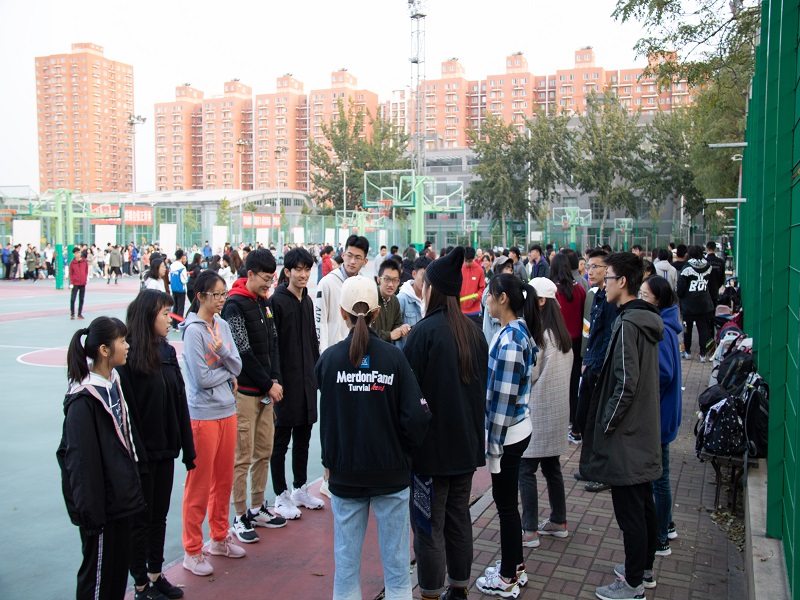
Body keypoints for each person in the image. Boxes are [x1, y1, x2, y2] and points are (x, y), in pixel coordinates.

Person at [316, 275, 431, 600]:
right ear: (378, 314)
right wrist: (402, 452)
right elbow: (417, 416)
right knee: (397, 568)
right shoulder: (394, 359)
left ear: (342, 313)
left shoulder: (329, 361)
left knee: (345, 567)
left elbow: (330, 412)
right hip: (391, 475)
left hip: (344, 475)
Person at [402, 247, 489, 600]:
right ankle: (459, 588)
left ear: (432, 289)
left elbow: (408, 397)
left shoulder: (423, 333)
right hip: (466, 448)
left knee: (428, 525)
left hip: (430, 454)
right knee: (458, 518)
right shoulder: (474, 333)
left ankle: (430, 592)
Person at [579, 252, 663, 600]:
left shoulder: (629, 323)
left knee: (631, 512)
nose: (604, 284)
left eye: (608, 277)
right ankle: (642, 569)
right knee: (642, 504)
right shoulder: (641, 318)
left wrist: (607, 424)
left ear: (623, 282)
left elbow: (625, 382)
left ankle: (632, 584)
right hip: (641, 429)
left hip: (627, 434)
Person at [58, 317, 143, 600]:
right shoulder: (84, 400)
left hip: (120, 502)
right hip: (102, 511)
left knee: (116, 576)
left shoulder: (113, 382)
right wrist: (92, 516)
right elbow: (81, 465)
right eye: (122, 341)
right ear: (105, 350)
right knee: (97, 581)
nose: (128, 346)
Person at [118, 290, 195, 600]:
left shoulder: (166, 351)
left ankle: (155, 574)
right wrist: (139, 454)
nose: (169, 318)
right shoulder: (128, 355)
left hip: (165, 450)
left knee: (159, 517)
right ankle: (140, 585)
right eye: (164, 313)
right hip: (141, 456)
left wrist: (187, 447)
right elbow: (127, 412)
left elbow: (179, 400)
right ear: (149, 315)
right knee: (140, 520)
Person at [475, 274, 542, 599]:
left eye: (489, 294)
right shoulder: (515, 332)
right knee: (507, 506)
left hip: (508, 434)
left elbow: (502, 401)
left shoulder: (511, 339)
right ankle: (514, 566)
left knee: (505, 507)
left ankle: (507, 578)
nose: (486, 300)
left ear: (502, 298)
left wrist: (493, 449)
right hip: (516, 429)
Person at [179, 271, 244, 576]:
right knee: (199, 484)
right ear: (200, 296)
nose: (221, 299)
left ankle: (219, 537)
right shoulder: (193, 332)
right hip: (202, 416)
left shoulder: (223, 326)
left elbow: (238, 365)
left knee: (223, 480)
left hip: (227, 411)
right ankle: (192, 550)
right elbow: (201, 378)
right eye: (216, 294)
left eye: (223, 294)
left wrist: (223, 355)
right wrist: (227, 369)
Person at [220, 249, 289, 539]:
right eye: (265, 278)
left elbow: (273, 344)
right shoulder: (233, 306)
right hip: (246, 394)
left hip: (266, 392)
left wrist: (275, 380)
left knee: (264, 451)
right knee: (242, 456)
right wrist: (267, 384)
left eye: (272, 279)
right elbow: (242, 352)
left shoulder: (265, 304)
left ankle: (258, 507)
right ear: (249, 274)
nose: (269, 284)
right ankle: (239, 515)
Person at [270, 248, 325, 522]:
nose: (303, 275)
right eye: (298, 270)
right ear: (287, 271)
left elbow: (313, 341)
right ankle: (281, 495)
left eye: (307, 269)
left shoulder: (307, 301)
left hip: (306, 382)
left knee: (303, 436)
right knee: (280, 441)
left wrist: (317, 373)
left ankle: (300, 489)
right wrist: (275, 380)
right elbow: (273, 347)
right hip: (285, 384)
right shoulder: (276, 302)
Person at [520, 277, 573, 549]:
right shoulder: (561, 334)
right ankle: (558, 521)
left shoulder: (539, 336)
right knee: (552, 468)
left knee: (526, 470)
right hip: (558, 412)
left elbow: (529, 376)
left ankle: (529, 530)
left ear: (541, 301)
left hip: (537, 413)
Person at [639, 275, 682, 558]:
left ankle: (661, 536)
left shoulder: (662, 331)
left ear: (658, 299)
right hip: (664, 414)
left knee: (660, 478)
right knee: (660, 476)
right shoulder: (666, 324)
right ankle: (667, 524)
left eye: (645, 295)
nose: (641, 298)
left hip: (660, 416)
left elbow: (663, 374)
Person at [571, 250, 618, 457]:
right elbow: (590, 332)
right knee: (583, 418)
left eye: (594, 267)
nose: (589, 271)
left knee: (593, 419)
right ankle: (589, 462)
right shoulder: (596, 295)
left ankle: (594, 463)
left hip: (598, 368)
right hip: (590, 363)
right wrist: (586, 361)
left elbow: (609, 336)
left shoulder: (610, 299)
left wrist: (597, 368)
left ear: (608, 270)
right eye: (588, 267)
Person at [550, 253, 586, 441]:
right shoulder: (580, 289)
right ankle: (574, 423)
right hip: (577, 342)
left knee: (558, 384)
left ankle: (561, 422)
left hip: (559, 342)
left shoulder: (553, 291)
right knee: (574, 384)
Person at [316, 235, 369, 353]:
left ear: (365, 261)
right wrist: (323, 354)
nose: (352, 261)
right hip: (333, 352)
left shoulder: (364, 284)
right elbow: (320, 322)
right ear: (343, 255)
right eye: (349, 255)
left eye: (358, 257)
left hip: (356, 351)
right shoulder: (327, 283)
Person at [677, 245, 715, 361]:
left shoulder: (686, 268)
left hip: (688, 304)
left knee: (687, 328)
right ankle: (703, 354)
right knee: (703, 328)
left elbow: (680, 288)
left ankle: (687, 352)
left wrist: (681, 296)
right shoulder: (708, 266)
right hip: (703, 302)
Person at [396, 255, 432, 350]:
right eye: (423, 275)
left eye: (429, 276)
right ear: (414, 274)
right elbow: (394, 330)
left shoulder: (430, 298)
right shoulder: (402, 299)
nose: (426, 280)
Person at [371, 259, 410, 343]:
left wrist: (401, 329)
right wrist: (389, 335)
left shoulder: (394, 300)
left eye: (395, 280)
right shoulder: (370, 299)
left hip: (387, 348)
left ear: (398, 282)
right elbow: (366, 332)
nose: (390, 284)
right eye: (387, 279)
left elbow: (397, 323)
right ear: (378, 280)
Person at [482, 256, 515, 345]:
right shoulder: (492, 289)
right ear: (498, 270)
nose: (510, 271)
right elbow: (496, 317)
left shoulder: (507, 288)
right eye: (507, 268)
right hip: (494, 338)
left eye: (511, 269)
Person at [459, 246, 486, 326]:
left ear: (474, 258)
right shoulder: (459, 269)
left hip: (474, 311)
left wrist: (477, 296)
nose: (467, 263)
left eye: (470, 261)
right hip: (460, 310)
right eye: (465, 261)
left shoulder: (479, 270)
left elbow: (482, 288)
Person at [169, 250, 188, 330]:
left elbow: (169, 277)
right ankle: (179, 324)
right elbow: (184, 280)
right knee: (181, 307)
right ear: (182, 256)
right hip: (181, 289)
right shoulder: (182, 267)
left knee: (175, 306)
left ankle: (174, 324)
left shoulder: (172, 266)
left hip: (173, 288)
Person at [69, 246, 89, 320]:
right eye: (76, 253)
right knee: (73, 299)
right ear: (74, 254)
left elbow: (86, 270)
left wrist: (85, 278)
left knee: (81, 299)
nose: (78, 254)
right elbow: (71, 273)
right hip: (75, 283)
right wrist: (72, 282)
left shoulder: (84, 261)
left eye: (79, 252)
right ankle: (72, 314)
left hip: (83, 283)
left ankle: (79, 313)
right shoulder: (72, 263)